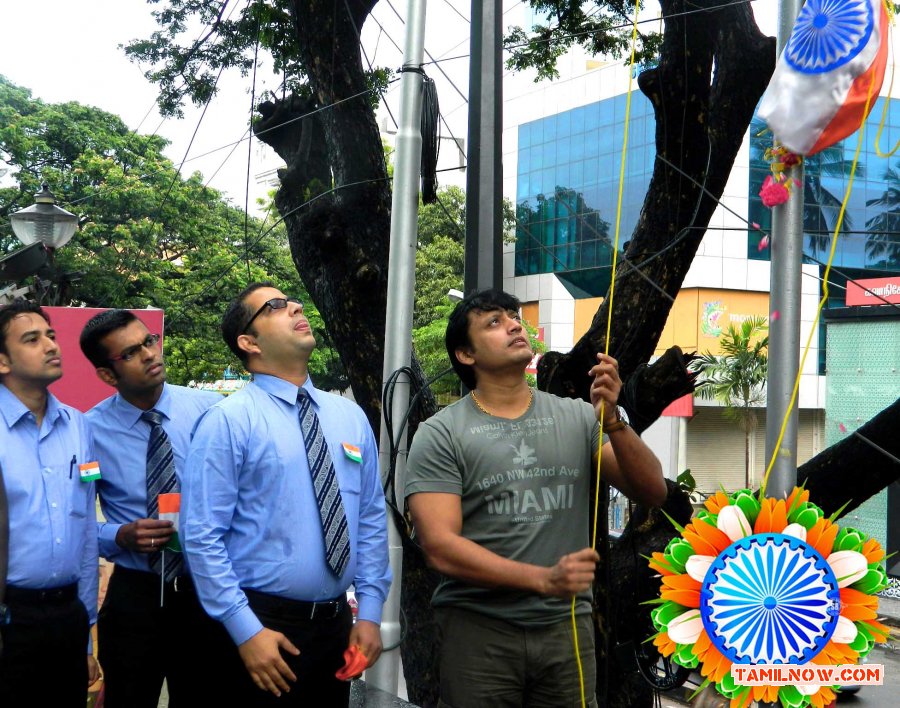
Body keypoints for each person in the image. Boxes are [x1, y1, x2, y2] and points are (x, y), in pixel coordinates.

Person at [405, 289, 667, 708]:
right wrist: (542, 580)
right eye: (493, 321)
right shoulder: (441, 433)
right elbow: (440, 548)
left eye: (513, 316)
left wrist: (614, 421)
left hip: (567, 628)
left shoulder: (578, 416)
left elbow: (653, 490)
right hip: (478, 631)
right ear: (465, 354)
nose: (513, 324)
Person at [181, 282, 391, 706]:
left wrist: (369, 613)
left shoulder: (348, 417)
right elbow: (201, 537)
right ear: (248, 342)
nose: (295, 305)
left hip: (334, 627)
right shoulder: (228, 421)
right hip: (259, 625)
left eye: (291, 299)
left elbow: (369, 519)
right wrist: (246, 631)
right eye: (275, 306)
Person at [79, 309, 226, 707]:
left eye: (149, 342)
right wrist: (119, 535)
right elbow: (72, 523)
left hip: (206, 590)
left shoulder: (213, 412)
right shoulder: (88, 431)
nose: (149, 354)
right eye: (131, 352)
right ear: (108, 375)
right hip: (135, 598)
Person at [0, 301, 100, 706]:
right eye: (32, 339)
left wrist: (89, 632)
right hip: (10, 617)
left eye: (51, 335)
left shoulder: (79, 426)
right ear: (3, 362)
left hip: (68, 616)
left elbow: (87, 528)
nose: (51, 345)